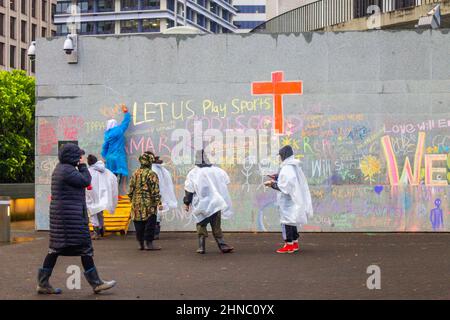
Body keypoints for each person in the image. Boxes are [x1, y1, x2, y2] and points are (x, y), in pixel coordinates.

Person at [37, 143, 116, 294]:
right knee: (84, 249)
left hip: (65, 218)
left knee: (55, 249)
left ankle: (43, 283)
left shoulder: (61, 169)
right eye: (79, 156)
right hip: (70, 219)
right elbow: (86, 180)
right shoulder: (67, 171)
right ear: (71, 156)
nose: (81, 158)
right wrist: (83, 166)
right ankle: (96, 283)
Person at [264, 145, 313, 254]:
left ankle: (288, 245)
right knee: (292, 221)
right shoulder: (293, 166)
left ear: (284, 155)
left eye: (281, 155)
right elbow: (287, 180)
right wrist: (277, 176)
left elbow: (284, 187)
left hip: (287, 201)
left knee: (286, 221)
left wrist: (271, 184)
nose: (280, 158)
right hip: (293, 200)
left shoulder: (287, 168)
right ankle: (295, 243)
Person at [183, 150, 234, 254]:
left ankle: (201, 247)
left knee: (201, 224)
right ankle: (222, 245)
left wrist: (187, 202)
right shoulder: (218, 171)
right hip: (216, 203)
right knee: (216, 225)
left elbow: (189, 189)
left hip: (200, 204)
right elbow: (225, 183)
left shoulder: (193, 173)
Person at [128, 152, 163, 251]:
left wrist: (132, 199)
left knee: (138, 223)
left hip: (136, 203)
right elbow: (155, 190)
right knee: (150, 223)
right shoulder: (152, 174)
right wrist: (158, 202)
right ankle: (149, 244)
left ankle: (140, 243)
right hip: (149, 204)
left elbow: (130, 189)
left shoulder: (135, 173)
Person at [86, 154, 119, 240]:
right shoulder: (104, 170)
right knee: (100, 212)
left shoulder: (88, 171)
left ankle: (96, 232)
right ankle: (101, 229)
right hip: (101, 196)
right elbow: (113, 179)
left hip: (91, 195)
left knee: (93, 213)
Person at [101, 104, 131, 193]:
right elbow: (126, 122)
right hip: (118, 156)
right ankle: (118, 191)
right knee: (120, 174)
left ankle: (111, 192)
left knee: (111, 175)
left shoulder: (107, 135)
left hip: (110, 158)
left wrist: (104, 156)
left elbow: (104, 147)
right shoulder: (119, 130)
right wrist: (126, 112)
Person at [150, 154, 178, 239]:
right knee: (157, 215)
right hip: (160, 196)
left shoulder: (152, 170)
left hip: (153, 196)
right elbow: (167, 185)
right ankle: (155, 233)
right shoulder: (162, 170)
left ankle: (152, 233)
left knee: (152, 214)